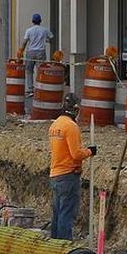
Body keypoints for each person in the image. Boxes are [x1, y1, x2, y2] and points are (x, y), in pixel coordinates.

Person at [48, 93, 96, 240]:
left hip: (55, 174)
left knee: (57, 212)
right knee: (66, 213)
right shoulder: (71, 127)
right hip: (68, 175)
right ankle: (64, 246)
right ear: (75, 109)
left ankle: (54, 246)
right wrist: (90, 151)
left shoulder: (55, 125)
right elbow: (75, 154)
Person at [20, 13, 53, 95]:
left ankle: (30, 89)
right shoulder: (44, 30)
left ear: (32, 21)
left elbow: (25, 42)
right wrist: (46, 41)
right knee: (40, 70)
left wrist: (21, 51)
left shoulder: (29, 30)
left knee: (29, 70)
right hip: (41, 52)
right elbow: (51, 38)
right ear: (40, 21)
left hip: (30, 52)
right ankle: (39, 87)